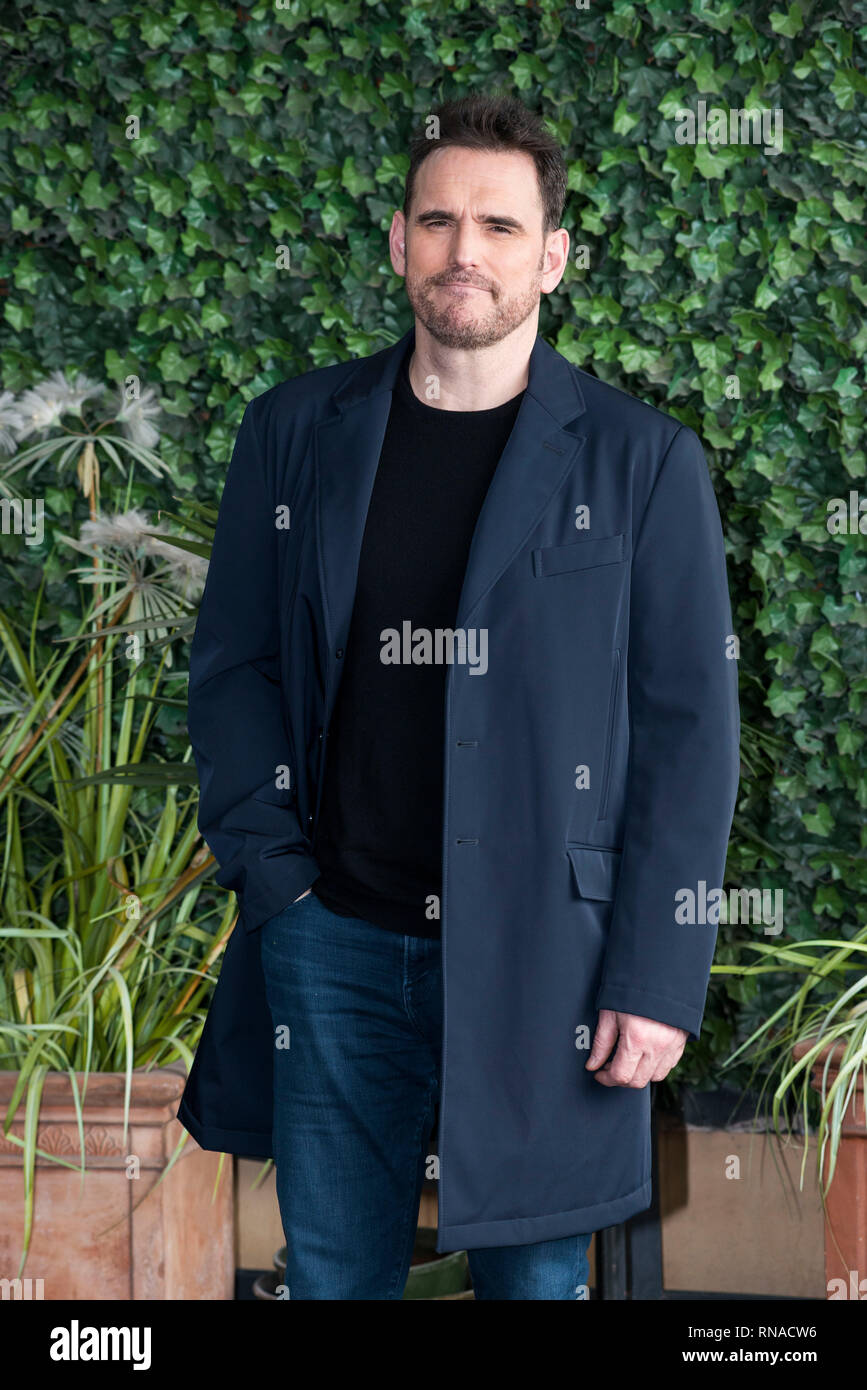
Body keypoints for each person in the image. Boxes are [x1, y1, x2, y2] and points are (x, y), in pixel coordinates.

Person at [179, 92, 741, 1300]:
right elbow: (234, 665)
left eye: (497, 224)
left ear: (552, 257)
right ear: (397, 242)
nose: (463, 251)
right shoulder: (293, 433)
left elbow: (691, 734)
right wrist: (276, 878)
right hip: (332, 936)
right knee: (332, 1277)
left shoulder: (643, 464)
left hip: (553, 956)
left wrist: (654, 976)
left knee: (535, 1286)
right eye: (438, 221)